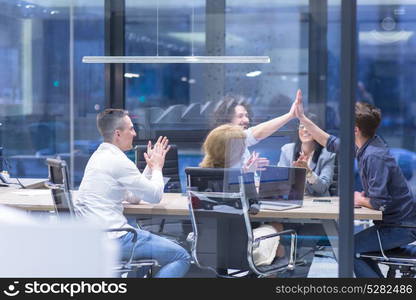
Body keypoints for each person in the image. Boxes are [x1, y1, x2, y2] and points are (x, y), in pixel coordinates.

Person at [294, 92, 416, 278]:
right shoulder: (367, 146)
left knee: (347, 249)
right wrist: (302, 117)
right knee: (353, 249)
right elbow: (329, 141)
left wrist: (359, 198)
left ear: (355, 130)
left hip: (401, 228)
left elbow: (378, 203)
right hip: (396, 224)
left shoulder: (374, 156)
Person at [75, 109, 190, 278]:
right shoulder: (118, 161)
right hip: (116, 239)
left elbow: (133, 197)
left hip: (95, 239)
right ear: (118, 134)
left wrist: (150, 168)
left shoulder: (99, 157)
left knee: (144, 263)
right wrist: (158, 167)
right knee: (182, 256)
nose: (135, 133)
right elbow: (155, 196)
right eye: (131, 129)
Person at [200, 124, 285, 266]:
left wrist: (244, 173)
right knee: (278, 237)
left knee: (276, 248)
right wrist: (248, 176)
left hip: (207, 245)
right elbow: (254, 208)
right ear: (231, 151)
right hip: (238, 246)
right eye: (240, 147)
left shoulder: (201, 174)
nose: (243, 150)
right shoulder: (236, 177)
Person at [212, 92, 299, 165]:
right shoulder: (225, 138)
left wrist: (248, 168)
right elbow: (258, 132)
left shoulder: (242, 146)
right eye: (240, 116)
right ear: (227, 118)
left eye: (246, 115)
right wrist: (290, 115)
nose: (246, 120)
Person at [278, 113, 336, 197]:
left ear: (317, 130)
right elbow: (280, 182)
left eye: (309, 127)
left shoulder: (327, 155)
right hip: (293, 200)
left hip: (318, 204)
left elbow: (323, 188)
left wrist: (308, 172)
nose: (305, 129)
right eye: (302, 126)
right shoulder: (287, 150)